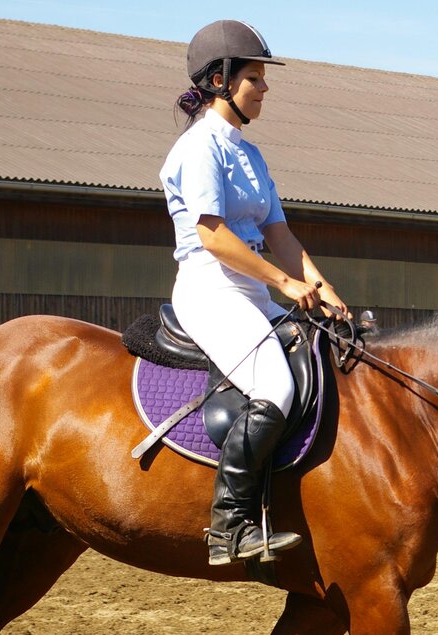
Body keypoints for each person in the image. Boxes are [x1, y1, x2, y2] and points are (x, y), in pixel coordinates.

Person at [160, 19, 349, 566]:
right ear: (220, 80)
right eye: (254, 77)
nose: (264, 88)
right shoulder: (198, 148)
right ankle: (229, 527)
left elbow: (280, 235)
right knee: (275, 386)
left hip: (252, 287)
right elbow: (212, 234)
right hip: (210, 288)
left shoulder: (250, 155)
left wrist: (322, 286)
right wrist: (286, 283)